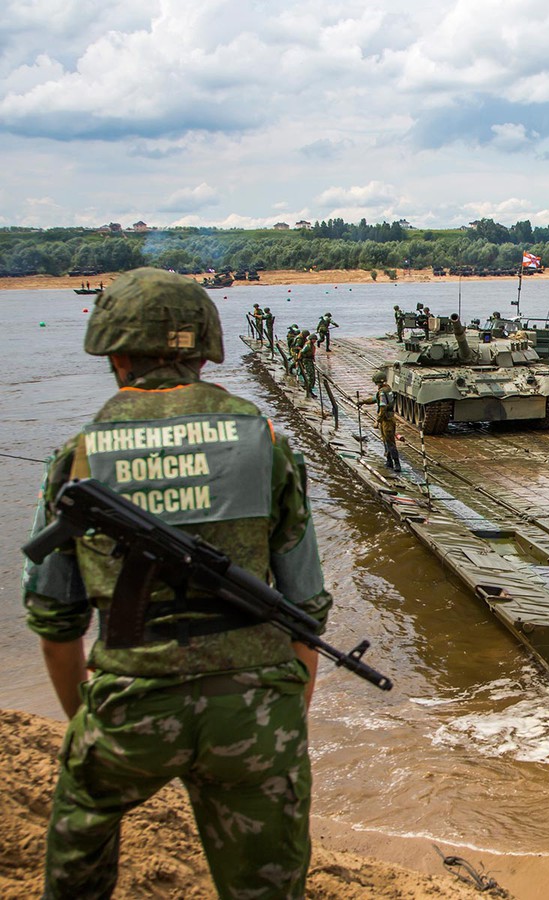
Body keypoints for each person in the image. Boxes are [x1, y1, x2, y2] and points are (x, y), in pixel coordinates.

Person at [22, 268, 331, 899]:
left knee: (73, 865)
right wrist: (284, 711)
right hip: (256, 711)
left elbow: (55, 621)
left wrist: (89, 722)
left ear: (114, 352)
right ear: (204, 349)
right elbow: (305, 606)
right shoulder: (264, 442)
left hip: (130, 705)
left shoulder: (78, 455)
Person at [358, 372, 401, 468]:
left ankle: (396, 464)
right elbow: (375, 399)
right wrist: (363, 401)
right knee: (386, 440)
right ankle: (389, 462)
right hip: (389, 419)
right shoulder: (387, 389)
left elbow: (382, 407)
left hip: (386, 420)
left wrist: (378, 420)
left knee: (389, 442)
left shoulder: (382, 392)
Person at [298, 333, 318, 397]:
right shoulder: (308, 345)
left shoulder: (311, 345)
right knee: (310, 376)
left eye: (315, 339)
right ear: (311, 339)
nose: (314, 341)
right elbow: (302, 352)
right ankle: (308, 390)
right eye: (313, 339)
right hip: (307, 361)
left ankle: (309, 389)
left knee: (313, 376)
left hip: (310, 360)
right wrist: (299, 359)